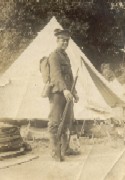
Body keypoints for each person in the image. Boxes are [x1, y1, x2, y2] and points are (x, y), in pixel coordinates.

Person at [48, 29, 79, 161]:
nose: (65, 42)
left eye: (67, 40)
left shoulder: (65, 56)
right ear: (57, 40)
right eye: (62, 40)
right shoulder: (53, 56)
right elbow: (56, 75)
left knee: (67, 121)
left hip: (67, 93)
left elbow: (70, 76)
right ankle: (55, 153)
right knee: (55, 123)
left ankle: (65, 149)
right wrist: (65, 90)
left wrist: (74, 92)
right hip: (57, 93)